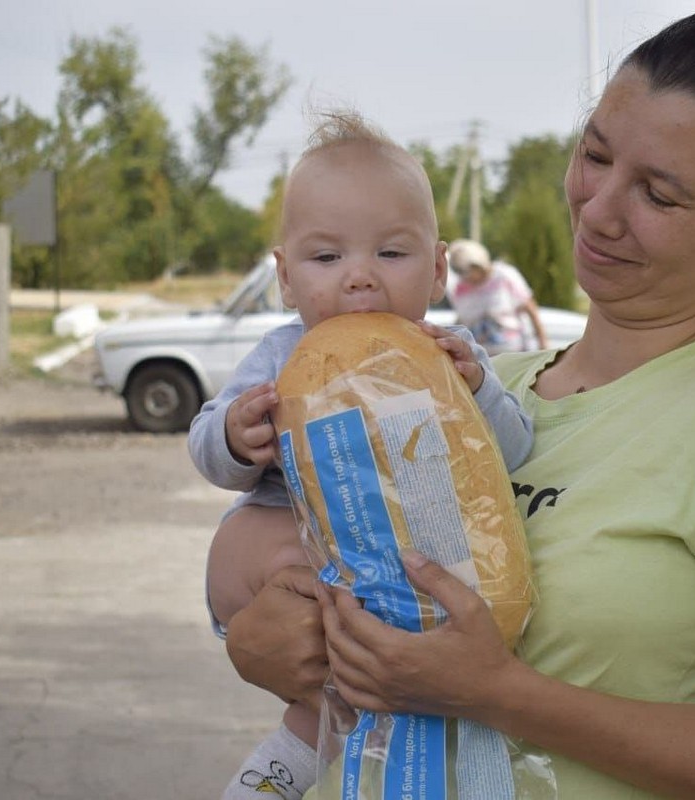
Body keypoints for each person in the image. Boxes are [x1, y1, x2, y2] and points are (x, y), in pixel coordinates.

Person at [223, 6, 695, 798]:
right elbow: (313, 553)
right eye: (594, 155)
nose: (598, 209)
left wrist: (499, 692)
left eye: (658, 196)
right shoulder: (480, 385)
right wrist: (264, 641)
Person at [188, 112, 533, 800]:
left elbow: (515, 449)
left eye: (391, 254)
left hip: (402, 569)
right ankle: (279, 769)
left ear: (437, 269)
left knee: (372, 689)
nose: (359, 279)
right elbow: (203, 442)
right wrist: (235, 435)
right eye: (327, 258)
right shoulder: (282, 354)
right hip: (302, 557)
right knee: (319, 675)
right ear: (286, 278)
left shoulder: (443, 351)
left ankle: (350, 762)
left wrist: (480, 388)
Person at [447, 239, 550, 354]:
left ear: (478, 265)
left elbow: (530, 308)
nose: (464, 277)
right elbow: (461, 319)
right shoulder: (461, 287)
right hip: (479, 356)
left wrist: (543, 343)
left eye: (466, 272)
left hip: (512, 352)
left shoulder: (504, 276)